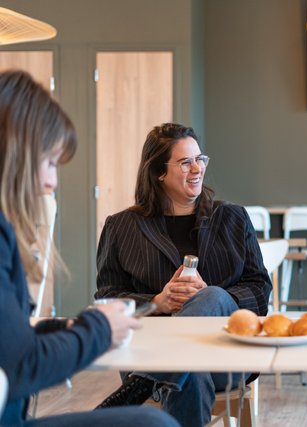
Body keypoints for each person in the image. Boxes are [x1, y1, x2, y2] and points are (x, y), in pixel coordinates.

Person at [0, 70, 178, 427]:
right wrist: (96, 328)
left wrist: (72, 327)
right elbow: (21, 366)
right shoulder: (121, 226)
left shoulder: (228, 218)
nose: (52, 181)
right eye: (48, 162)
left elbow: (10, 343)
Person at [94, 123, 271, 427]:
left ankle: (142, 384)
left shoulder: (232, 218)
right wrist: (158, 302)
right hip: (149, 351)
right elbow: (107, 300)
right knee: (191, 369)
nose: (197, 169)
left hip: (226, 353)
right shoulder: (121, 226)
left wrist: (216, 298)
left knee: (212, 295)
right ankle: (163, 370)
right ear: (159, 173)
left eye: (200, 159)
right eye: (185, 162)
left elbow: (259, 290)